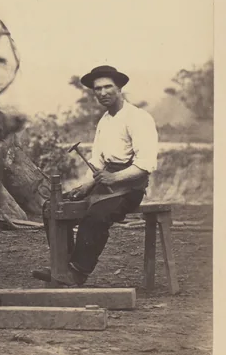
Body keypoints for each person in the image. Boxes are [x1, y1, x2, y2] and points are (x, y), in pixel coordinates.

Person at [33, 64, 159, 286]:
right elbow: (98, 161)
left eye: (107, 87)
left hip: (130, 189)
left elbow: (146, 164)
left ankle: (78, 272)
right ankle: (62, 266)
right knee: (53, 207)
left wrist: (114, 178)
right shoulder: (105, 120)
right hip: (104, 184)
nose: (102, 92)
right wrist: (85, 186)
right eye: (97, 89)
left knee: (96, 216)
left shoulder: (138, 118)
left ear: (119, 88)